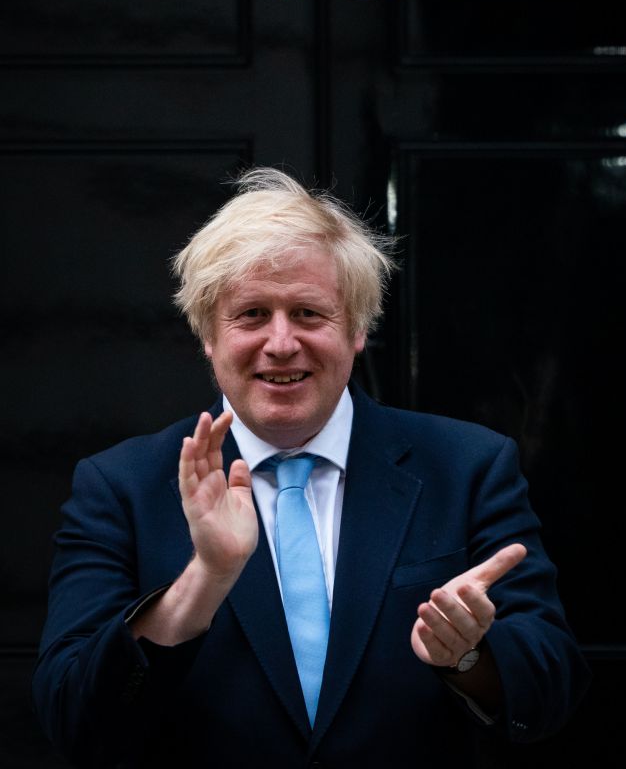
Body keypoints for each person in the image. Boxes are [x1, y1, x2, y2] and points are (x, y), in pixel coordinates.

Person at [32, 167, 590, 768]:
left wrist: (469, 656)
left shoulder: (469, 466)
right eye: (250, 314)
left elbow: (552, 691)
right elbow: (73, 721)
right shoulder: (119, 487)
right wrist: (204, 582)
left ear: (356, 329)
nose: (280, 343)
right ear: (207, 337)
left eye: (307, 313)